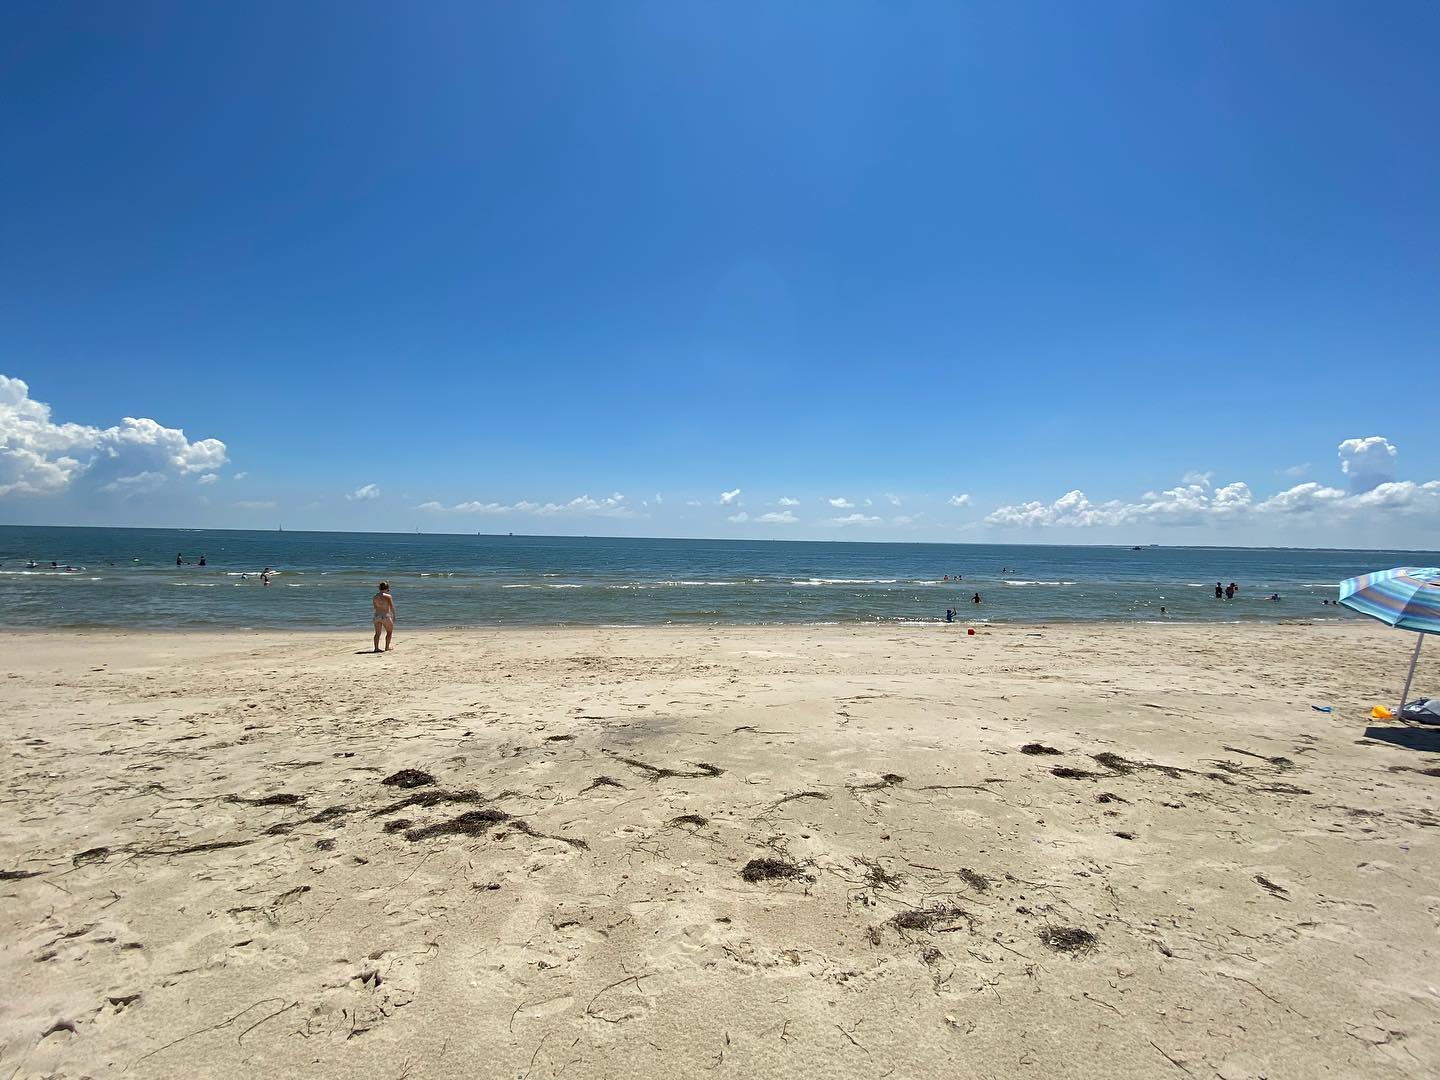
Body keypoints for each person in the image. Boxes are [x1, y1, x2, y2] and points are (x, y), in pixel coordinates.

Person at [372, 582, 396, 652]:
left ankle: (376, 648)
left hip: (377, 615)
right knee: (389, 632)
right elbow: (392, 607)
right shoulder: (388, 596)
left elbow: (375, 607)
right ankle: (387, 647)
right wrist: (394, 615)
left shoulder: (375, 596)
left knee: (377, 633)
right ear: (387, 588)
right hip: (385, 616)